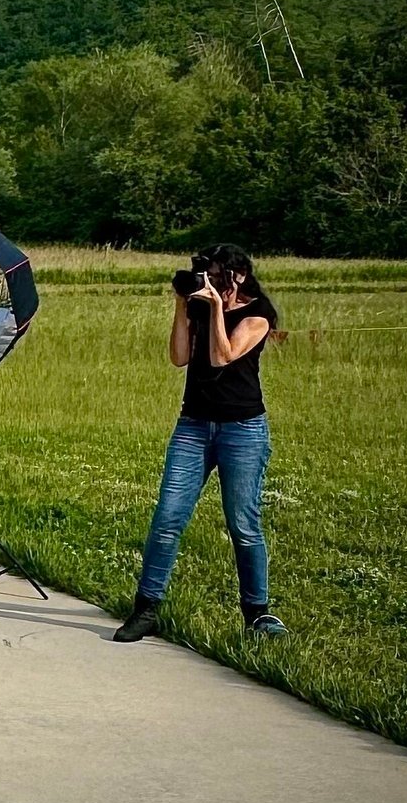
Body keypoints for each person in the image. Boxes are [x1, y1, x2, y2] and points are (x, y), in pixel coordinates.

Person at [114, 243, 287, 644]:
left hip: (242, 429)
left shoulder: (257, 314)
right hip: (193, 425)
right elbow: (179, 358)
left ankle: (257, 613)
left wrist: (214, 310)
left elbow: (221, 356)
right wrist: (182, 305)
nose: (212, 284)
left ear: (238, 276)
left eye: (218, 276)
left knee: (243, 524)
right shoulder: (198, 306)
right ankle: (146, 609)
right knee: (167, 519)